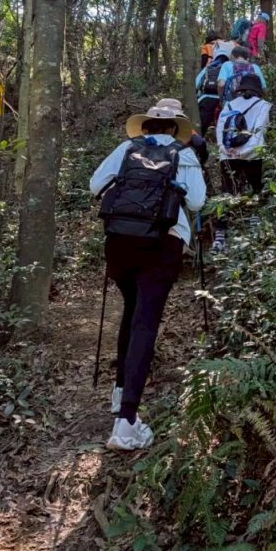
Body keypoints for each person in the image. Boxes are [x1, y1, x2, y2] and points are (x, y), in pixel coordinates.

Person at [90, 101, 206, 450]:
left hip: (120, 242)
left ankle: (120, 392)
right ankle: (126, 422)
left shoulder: (126, 149)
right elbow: (197, 202)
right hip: (163, 243)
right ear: (175, 128)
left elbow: (95, 185)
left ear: (147, 126)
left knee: (131, 311)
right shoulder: (184, 155)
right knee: (145, 321)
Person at [214, 73, 271, 252]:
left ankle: (220, 235)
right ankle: (254, 226)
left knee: (226, 192)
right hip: (252, 155)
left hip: (228, 154)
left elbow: (220, 128)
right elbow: (259, 130)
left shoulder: (229, 104)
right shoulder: (263, 105)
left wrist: (224, 149)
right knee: (255, 187)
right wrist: (245, 152)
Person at [195, 50, 230, 134]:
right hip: (223, 101)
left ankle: (200, 136)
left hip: (205, 99)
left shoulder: (208, 67)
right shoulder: (228, 68)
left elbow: (197, 83)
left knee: (202, 125)